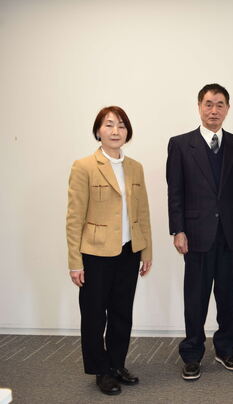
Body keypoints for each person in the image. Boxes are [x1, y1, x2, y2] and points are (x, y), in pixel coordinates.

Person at [166, 83, 233, 381]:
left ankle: (226, 349)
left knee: (228, 296)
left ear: (227, 109)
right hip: (195, 234)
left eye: (219, 104)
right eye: (208, 104)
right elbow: (175, 192)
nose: (213, 110)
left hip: (230, 233)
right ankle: (192, 354)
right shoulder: (181, 144)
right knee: (196, 297)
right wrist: (178, 230)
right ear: (199, 106)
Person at [66, 106, 152, 395]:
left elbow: (143, 213)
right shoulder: (84, 166)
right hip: (95, 253)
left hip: (129, 251)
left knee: (121, 312)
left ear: (128, 132)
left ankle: (116, 365)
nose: (116, 131)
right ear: (98, 131)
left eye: (121, 126)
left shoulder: (135, 167)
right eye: (109, 125)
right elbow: (74, 217)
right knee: (94, 315)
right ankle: (100, 370)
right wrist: (75, 261)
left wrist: (146, 251)